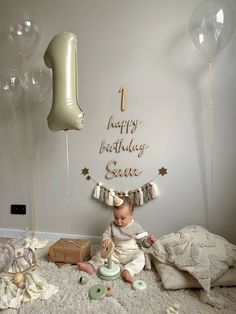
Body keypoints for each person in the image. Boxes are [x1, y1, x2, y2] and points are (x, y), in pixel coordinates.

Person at [77, 195, 156, 283]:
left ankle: (129, 271)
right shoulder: (112, 225)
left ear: (131, 215)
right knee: (100, 253)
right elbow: (107, 235)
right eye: (116, 217)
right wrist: (106, 240)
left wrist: (148, 241)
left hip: (130, 253)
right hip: (114, 252)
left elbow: (142, 242)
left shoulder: (135, 227)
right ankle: (91, 266)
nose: (118, 221)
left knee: (141, 257)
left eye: (123, 218)